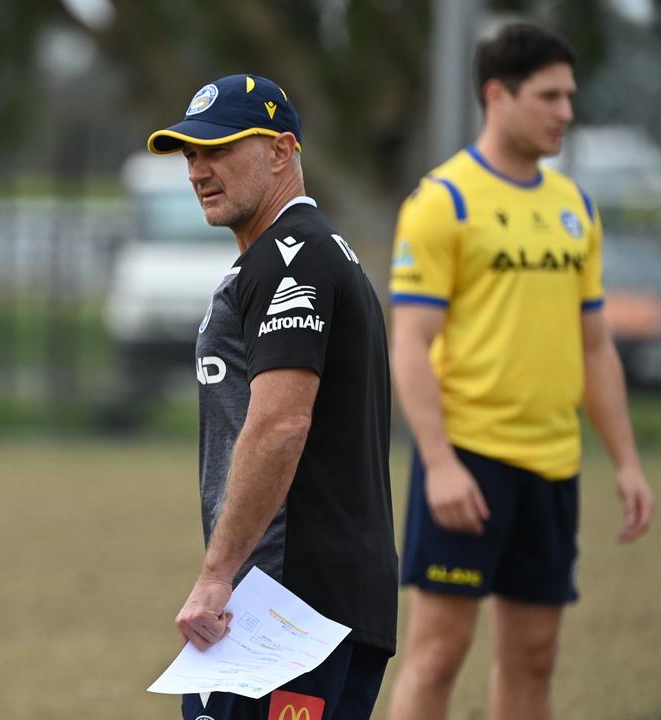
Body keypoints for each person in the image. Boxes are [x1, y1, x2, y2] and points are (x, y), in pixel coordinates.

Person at [386, 23, 654, 720]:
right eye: (550, 96)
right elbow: (409, 342)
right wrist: (439, 463)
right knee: (438, 654)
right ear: (497, 96)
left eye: (570, 95)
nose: (566, 111)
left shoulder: (574, 209)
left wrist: (625, 460)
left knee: (535, 659)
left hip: (554, 466)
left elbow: (595, 347)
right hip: (469, 464)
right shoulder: (445, 201)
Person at [148, 73, 398, 720]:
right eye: (190, 154)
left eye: (220, 149)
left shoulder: (294, 257)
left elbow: (281, 424)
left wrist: (215, 576)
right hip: (307, 598)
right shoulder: (295, 255)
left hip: (290, 606)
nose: (199, 169)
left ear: (283, 151)